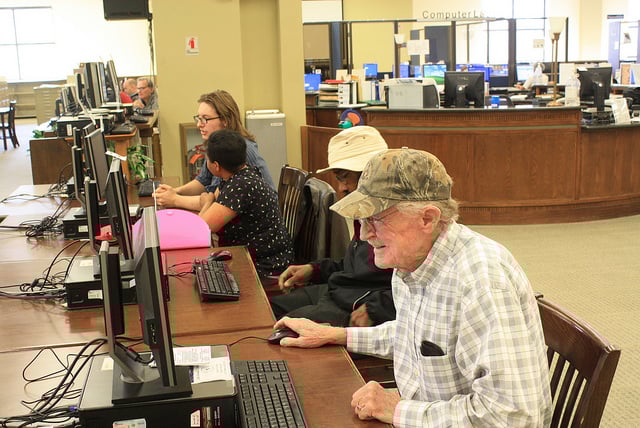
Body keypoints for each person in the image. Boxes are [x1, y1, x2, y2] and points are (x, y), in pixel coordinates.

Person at [272, 148, 552, 427]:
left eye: (376, 219)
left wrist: (397, 410)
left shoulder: (482, 281)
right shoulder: (412, 260)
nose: (366, 234)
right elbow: (413, 335)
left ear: (427, 219)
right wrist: (335, 334)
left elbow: (513, 415)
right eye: (362, 220)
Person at [270, 126, 395, 327]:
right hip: (339, 290)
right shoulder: (363, 212)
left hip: (357, 304)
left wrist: (379, 308)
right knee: (269, 309)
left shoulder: (399, 218)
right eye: (339, 178)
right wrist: (315, 269)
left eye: (344, 177)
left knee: (282, 328)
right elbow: (353, 265)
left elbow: (420, 285)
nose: (341, 188)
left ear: (369, 172)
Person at [154, 90, 274, 210]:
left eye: (205, 119)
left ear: (225, 120)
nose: (199, 125)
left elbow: (217, 202)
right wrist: (175, 192)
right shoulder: (217, 145)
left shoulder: (241, 150)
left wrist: (174, 200)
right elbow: (202, 181)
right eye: (198, 118)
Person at [199, 129, 293, 276]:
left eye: (207, 160)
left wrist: (207, 201)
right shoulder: (243, 174)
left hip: (265, 265)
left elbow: (202, 227)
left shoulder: (240, 186)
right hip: (258, 256)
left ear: (216, 166)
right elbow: (215, 207)